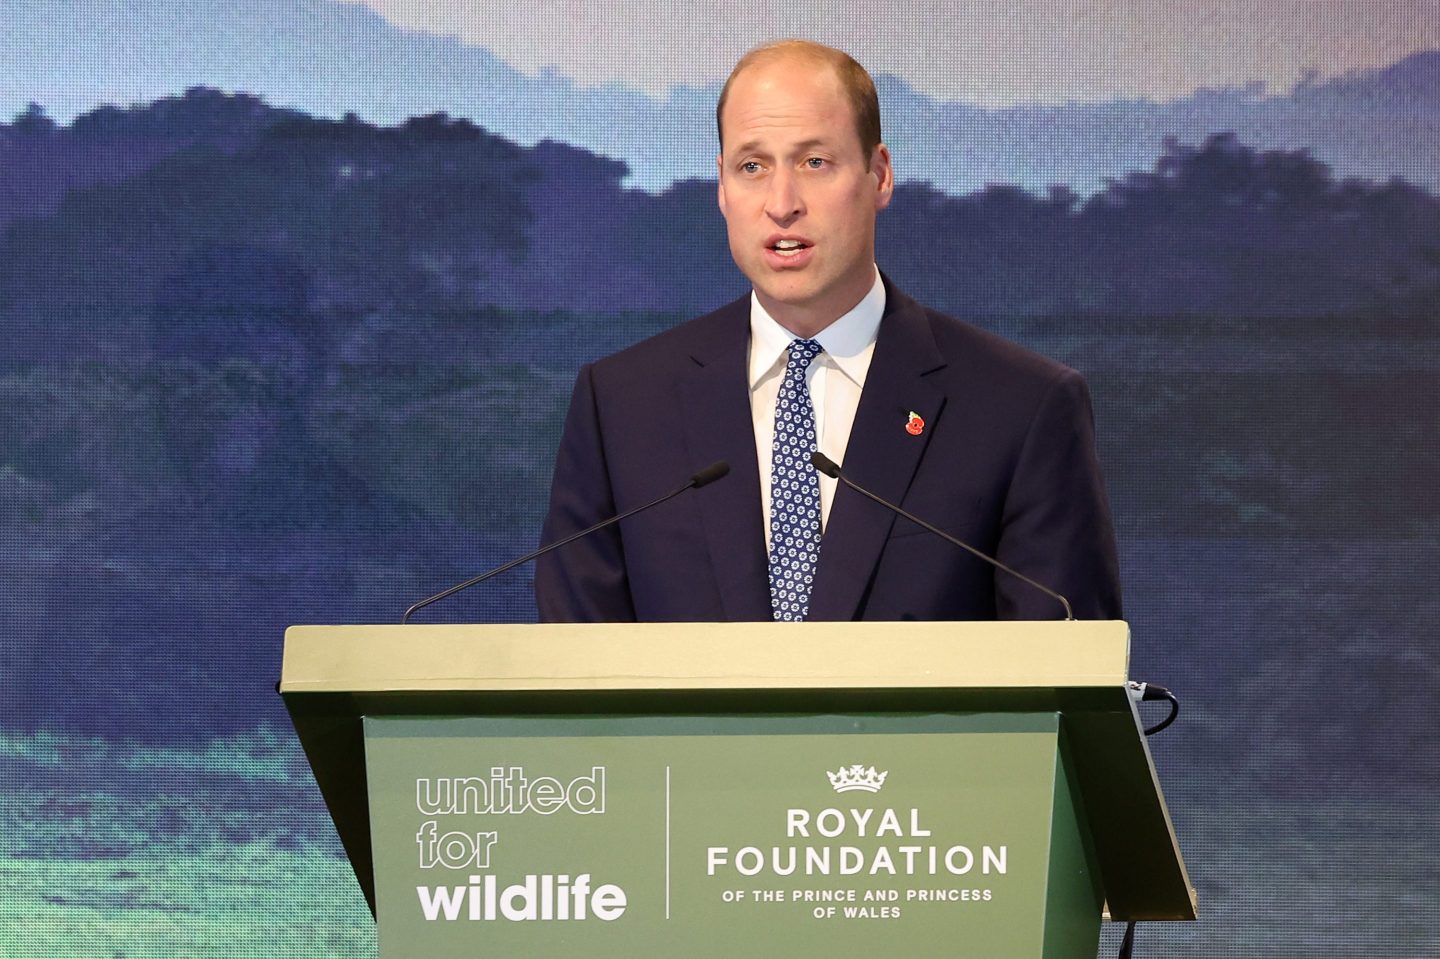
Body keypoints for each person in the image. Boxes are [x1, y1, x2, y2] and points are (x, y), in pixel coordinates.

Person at [535, 40, 1120, 623]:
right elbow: (576, 673)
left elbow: (1064, 672)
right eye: (752, 167)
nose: (782, 204)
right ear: (721, 187)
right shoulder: (622, 404)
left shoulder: (1019, 407)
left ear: (880, 175)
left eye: (815, 162)